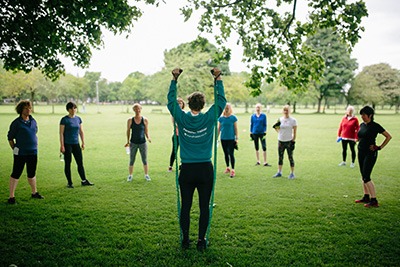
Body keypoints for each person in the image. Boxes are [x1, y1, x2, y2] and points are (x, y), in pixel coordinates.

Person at [167, 67, 226, 251]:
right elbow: (221, 102)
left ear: (189, 104)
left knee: (186, 206)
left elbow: (171, 102)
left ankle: (185, 240)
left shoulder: (182, 119)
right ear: (202, 105)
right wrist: (218, 79)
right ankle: (201, 240)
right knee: (204, 206)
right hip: (204, 169)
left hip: (187, 170)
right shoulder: (209, 118)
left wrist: (174, 80)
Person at [7, 100, 44, 204]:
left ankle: (34, 192)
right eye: (26, 108)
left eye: (29, 108)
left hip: (33, 152)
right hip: (20, 153)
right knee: (16, 173)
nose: (29, 110)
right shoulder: (16, 123)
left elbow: (34, 132)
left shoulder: (33, 121)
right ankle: (11, 197)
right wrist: (14, 148)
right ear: (21, 110)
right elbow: (10, 138)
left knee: (32, 173)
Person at [355, 106, 391, 207]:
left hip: (370, 153)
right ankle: (366, 197)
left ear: (370, 115)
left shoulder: (375, 126)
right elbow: (361, 136)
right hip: (361, 152)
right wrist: (357, 140)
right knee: (363, 176)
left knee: (367, 176)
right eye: (361, 114)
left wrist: (379, 147)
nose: (362, 116)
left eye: (364, 115)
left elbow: (388, 136)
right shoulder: (362, 125)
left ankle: (374, 200)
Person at [60, 102, 94, 188]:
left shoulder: (78, 119)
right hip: (67, 144)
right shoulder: (64, 120)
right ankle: (69, 183)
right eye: (71, 108)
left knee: (80, 163)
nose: (73, 110)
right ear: (68, 109)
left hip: (76, 144)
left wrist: (83, 142)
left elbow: (81, 131)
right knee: (68, 163)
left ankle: (84, 180)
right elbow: (61, 133)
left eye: (75, 108)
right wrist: (62, 145)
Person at [126, 103, 151, 182]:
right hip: (133, 142)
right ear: (134, 110)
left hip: (142, 143)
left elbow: (146, 130)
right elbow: (128, 131)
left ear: (141, 109)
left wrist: (148, 138)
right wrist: (127, 141)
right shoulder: (130, 120)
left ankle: (146, 175)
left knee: (144, 159)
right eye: (136, 109)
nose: (137, 110)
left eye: (139, 108)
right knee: (132, 159)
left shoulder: (145, 120)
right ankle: (130, 175)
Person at [272, 105, 297, 179]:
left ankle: (292, 173)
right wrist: (279, 132)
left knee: (290, 157)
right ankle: (279, 172)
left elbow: (295, 131)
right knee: (280, 157)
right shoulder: (280, 119)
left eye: (287, 110)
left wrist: (293, 139)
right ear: (283, 111)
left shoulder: (293, 120)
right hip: (281, 141)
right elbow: (275, 127)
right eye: (284, 110)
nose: (286, 112)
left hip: (289, 141)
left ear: (289, 111)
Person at [218, 103, 238, 178]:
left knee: (231, 154)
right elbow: (219, 128)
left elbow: (236, 128)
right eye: (225, 107)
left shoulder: (233, 118)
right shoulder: (221, 118)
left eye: (228, 107)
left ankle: (233, 170)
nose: (226, 109)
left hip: (231, 138)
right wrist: (217, 137)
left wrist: (237, 138)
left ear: (230, 108)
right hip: (223, 138)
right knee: (225, 154)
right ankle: (227, 167)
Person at [168, 98, 185, 172]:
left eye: (181, 103)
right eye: (178, 103)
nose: (179, 104)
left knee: (183, 151)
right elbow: (175, 124)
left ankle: (182, 165)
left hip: (183, 136)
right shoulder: (173, 113)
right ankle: (170, 166)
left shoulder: (184, 113)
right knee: (174, 151)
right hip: (177, 135)